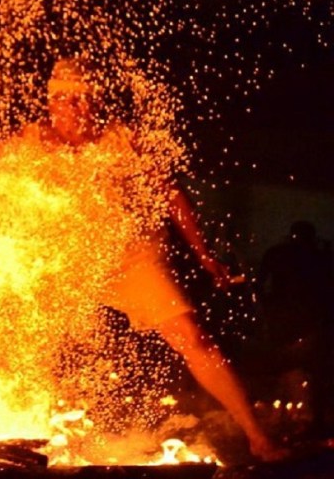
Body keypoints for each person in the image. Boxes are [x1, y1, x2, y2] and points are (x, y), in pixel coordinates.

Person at [23, 57, 286, 461]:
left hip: (129, 258)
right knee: (17, 335)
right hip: (62, 261)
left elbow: (170, 194)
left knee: (194, 338)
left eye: (81, 98)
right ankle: (24, 428)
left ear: (97, 102)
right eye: (61, 98)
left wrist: (204, 256)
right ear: (49, 101)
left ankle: (258, 437)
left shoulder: (121, 139)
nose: (71, 107)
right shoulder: (28, 142)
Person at [256, 220, 334, 437]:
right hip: (304, 319)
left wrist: (267, 306)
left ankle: (298, 419)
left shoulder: (283, 253)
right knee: (307, 369)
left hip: (296, 319)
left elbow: (260, 284)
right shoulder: (319, 256)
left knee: (292, 366)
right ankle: (301, 418)